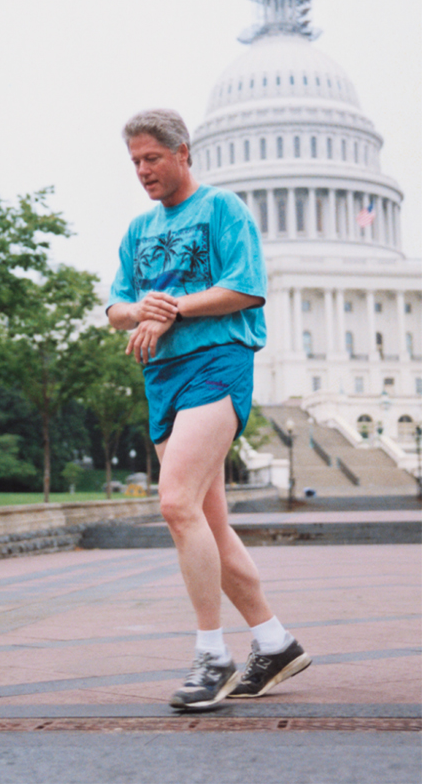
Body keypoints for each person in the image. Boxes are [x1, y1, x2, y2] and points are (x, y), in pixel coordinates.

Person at [107, 109, 311, 711]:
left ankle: (212, 655)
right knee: (208, 524)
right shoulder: (138, 229)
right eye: (135, 162)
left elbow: (247, 287)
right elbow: (116, 306)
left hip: (216, 364)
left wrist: (172, 310)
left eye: (152, 158)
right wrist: (143, 312)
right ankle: (274, 642)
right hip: (161, 378)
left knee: (174, 504)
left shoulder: (223, 210)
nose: (143, 171)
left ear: (183, 153)